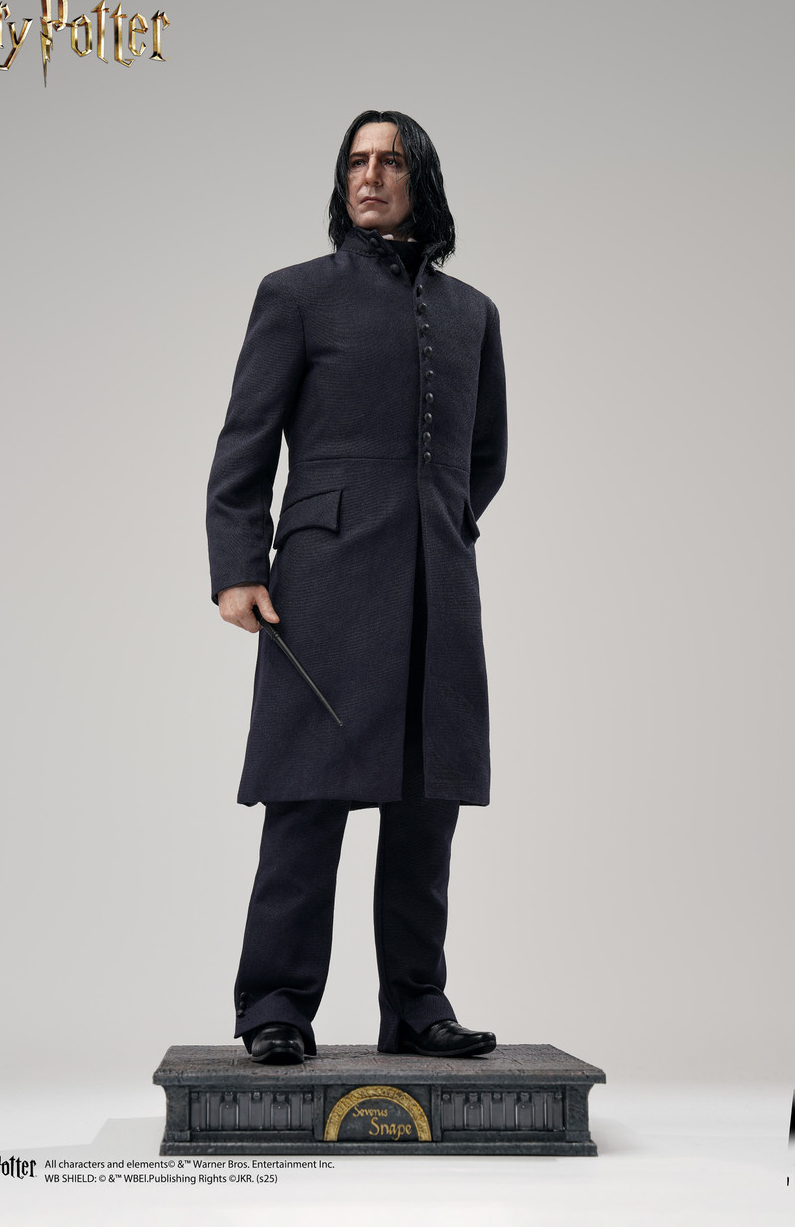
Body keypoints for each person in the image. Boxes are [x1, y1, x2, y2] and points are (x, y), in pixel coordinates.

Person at [206, 110, 507, 1065]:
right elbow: (245, 444)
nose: (369, 176)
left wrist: (439, 523)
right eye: (356, 162)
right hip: (324, 586)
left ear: (423, 179)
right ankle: (275, 1006)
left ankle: (417, 1005)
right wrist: (239, 566)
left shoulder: (474, 315)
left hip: (437, 587)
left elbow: (487, 456)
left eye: (390, 161)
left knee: (427, 808)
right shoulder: (294, 296)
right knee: (306, 798)